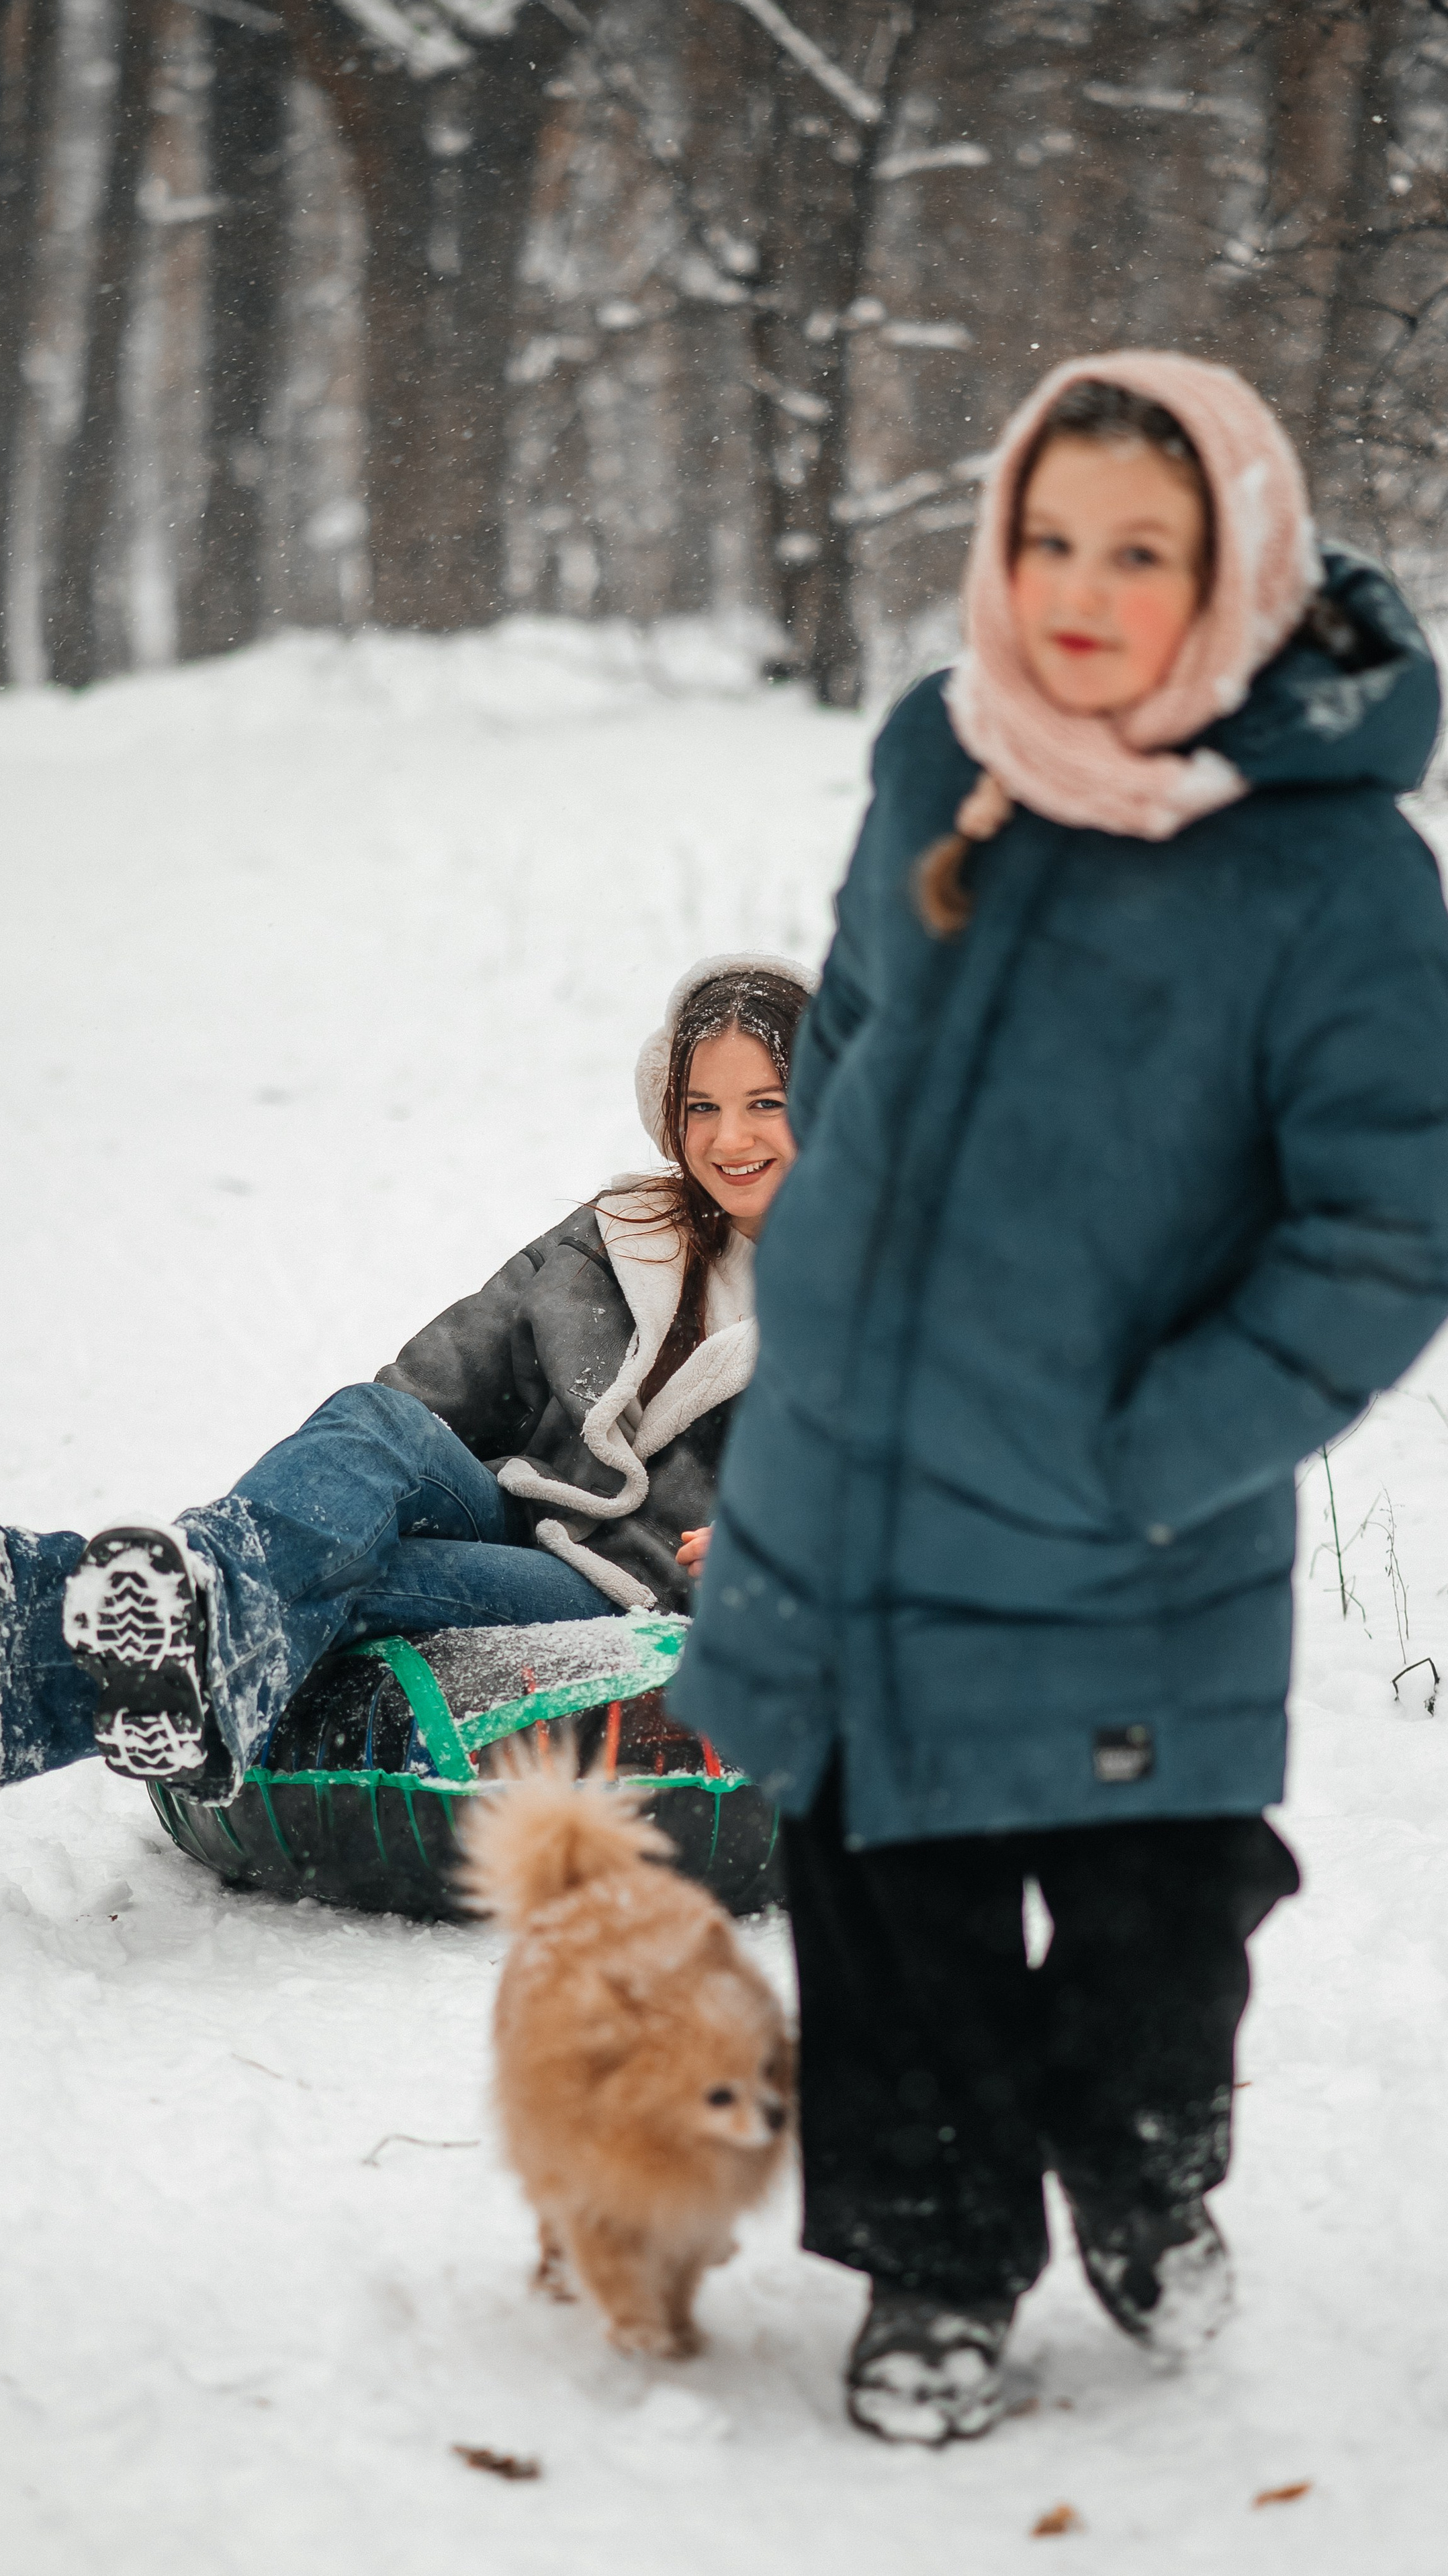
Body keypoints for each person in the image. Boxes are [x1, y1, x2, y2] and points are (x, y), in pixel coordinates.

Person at [672, 353, 1448, 2444]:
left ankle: (1142, 2157)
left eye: (1142, 551)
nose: (1082, 592)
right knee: (884, 1885)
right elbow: (850, 1018)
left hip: (1129, 1511)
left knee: (1152, 1910)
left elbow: (1390, 1227)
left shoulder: (1334, 868)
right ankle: (935, 2264)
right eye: (1049, 539)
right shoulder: (949, 751)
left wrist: (1153, 1451)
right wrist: (825, 1279)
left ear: (1240, 575)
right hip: (863, 1470)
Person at [0, 956, 811, 1808]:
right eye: (703, 1107)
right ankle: (86, 1643)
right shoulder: (621, 1235)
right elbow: (441, 1379)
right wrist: (344, 1495)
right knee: (370, 1432)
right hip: (520, 1516)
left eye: (765, 1104)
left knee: (355, 1579)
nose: (730, 1139)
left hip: (629, 1587)